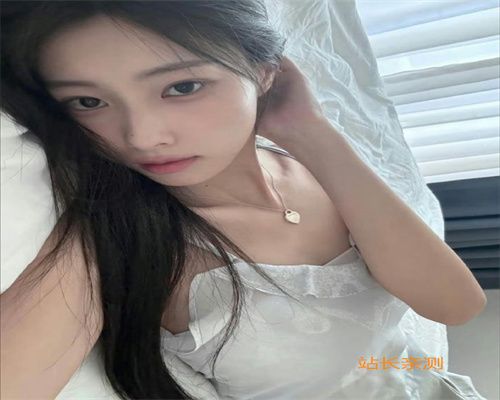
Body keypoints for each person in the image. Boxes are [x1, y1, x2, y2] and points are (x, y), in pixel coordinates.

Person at [0, 1, 488, 399]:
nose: (142, 136)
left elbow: (455, 304)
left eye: (182, 87)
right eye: (89, 102)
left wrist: (312, 133)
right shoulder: (121, 239)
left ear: (264, 72)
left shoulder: (314, 169)